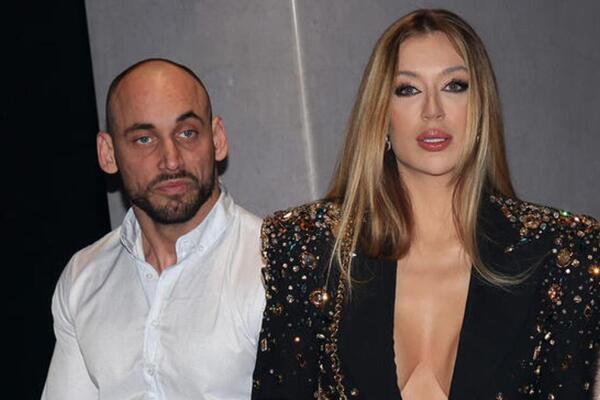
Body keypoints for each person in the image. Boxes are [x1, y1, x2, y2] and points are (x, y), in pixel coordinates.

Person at [252, 9, 599, 400]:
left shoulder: (561, 255)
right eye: (408, 89)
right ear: (381, 114)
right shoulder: (309, 250)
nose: (433, 110)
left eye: (454, 86)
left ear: (481, 106)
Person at [42, 59, 265, 399]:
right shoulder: (84, 277)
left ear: (217, 139)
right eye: (144, 139)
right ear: (108, 153)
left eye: (187, 132)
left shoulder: (269, 266)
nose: (171, 159)